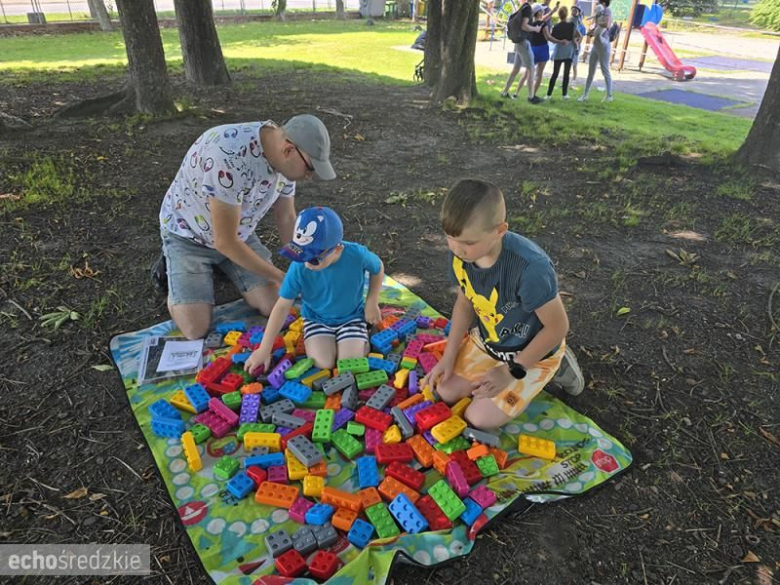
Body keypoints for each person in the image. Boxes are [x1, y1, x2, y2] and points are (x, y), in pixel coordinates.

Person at [152, 115, 336, 340]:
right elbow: (225, 242)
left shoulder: (285, 158)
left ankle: (223, 266)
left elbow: (286, 217)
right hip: (189, 236)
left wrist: (304, 265)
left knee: (275, 303)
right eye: (310, 169)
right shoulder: (228, 159)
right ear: (288, 150)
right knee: (194, 329)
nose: (309, 176)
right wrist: (283, 276)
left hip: (238, 232)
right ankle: (170, 267)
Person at [422, 179, 584, 431]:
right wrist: (449, 357)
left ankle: (557, 362)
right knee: (445, 390)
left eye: (468, 242)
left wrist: (511, 371)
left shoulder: (531, 269)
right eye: (450, 238)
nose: (457, 249)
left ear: (500, 230)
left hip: (530, 350)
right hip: (490, 343)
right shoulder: (461, 254)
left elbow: (557, 326)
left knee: (479, 418)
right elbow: (465, 304)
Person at [244, 206, 384, 373]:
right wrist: (264, 348)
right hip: (316, 320)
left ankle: (363, 339)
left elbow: (377, 268)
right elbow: (282, 306)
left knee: (349, 365)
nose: (307, 264)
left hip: (351, 317)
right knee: (323, 364)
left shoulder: (357, 255)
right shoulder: (298, 267)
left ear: (337, 249)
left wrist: (371, 301)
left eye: (314, 259)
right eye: (301, 255)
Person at [501, 0, 542, 104]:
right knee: (531, 68)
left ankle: (504, 92)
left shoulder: (523, 7)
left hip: (518, 42)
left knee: (516, 68)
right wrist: (535, 29)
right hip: (523, 42)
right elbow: (524, 26)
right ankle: (531, 97)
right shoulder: (528, 8)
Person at [527, 3, 570, 97]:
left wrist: (554, 10)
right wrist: (561, 41)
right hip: (542, 49)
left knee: (529, 73)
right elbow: (548, 37)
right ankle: (532, 95)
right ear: (539, 13)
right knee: (539, 74)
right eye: (542, 10)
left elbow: (546, 17)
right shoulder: (543, 24)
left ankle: (523, 93)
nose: (543, 11)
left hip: (532, 49)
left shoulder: (530, 24)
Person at [578, 0, 614, 102]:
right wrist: (591, 32)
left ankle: (609, 95)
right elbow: (597, 27)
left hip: (604, 45)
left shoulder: (607, 11)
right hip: (596, 44)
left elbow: (607, 24)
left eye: (599, 2)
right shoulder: (598, 12)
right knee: (591, 70)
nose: (597, 4)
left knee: (605, 69)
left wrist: (597, 21)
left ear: (604, 2)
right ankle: (585, 95)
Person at [546, 6, 580, 99]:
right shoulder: (572, 25)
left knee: (555, 73)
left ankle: (548, 94)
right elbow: (575, 36)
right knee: (566, 73)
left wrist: (560, 41)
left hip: (559, 51)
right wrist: (576, 44)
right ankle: (564, 94)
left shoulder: (556, 26)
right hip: (568, 51)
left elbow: (552, 39)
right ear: (566, 15)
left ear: (559, 15)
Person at [570, 4, 586, 85]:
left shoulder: (582, 26)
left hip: (576, 46)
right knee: (568, 63)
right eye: (572, 10)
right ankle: (567, 79)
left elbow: (581, 38)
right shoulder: (570, 21)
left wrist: (576, 44)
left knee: (574, 64)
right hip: (570, 45)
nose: (573, 12)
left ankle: (574, 80)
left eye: (575, 10)